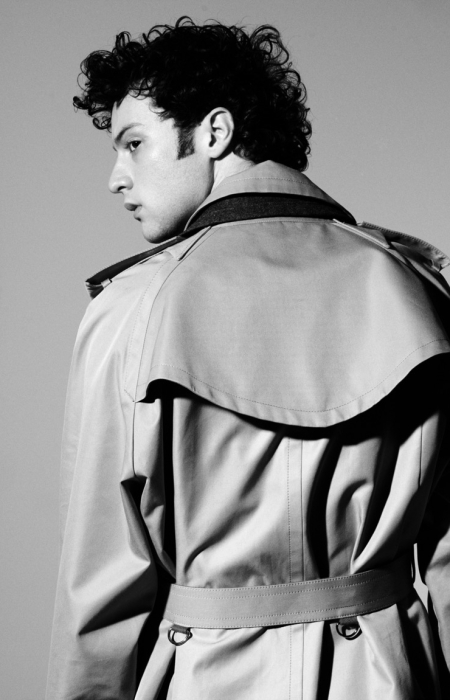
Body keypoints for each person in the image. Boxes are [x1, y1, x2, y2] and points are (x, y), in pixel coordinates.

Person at [46, 17, 450, 700]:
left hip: (206, 679)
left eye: (134, 143)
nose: (116, 178)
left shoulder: (132, 309)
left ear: (214, 132)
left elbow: (100, 586)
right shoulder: (419, 290)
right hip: (389, 675)